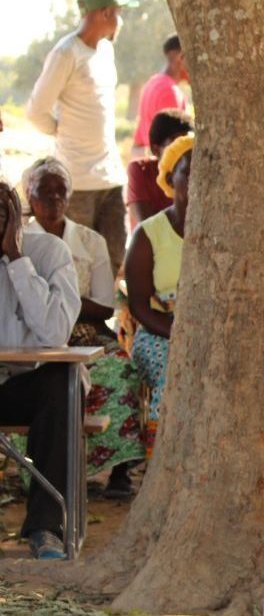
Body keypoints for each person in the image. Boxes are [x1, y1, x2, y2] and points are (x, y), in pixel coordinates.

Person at [21, 158, 143, 496]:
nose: (54, 199)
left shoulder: (90, 241)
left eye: (61, 192)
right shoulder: (19, 239)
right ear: (30, 197)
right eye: (44, 192)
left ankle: (118, 472)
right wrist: (59, 306)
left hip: (85, 332)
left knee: (120, 370)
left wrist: (61, 306)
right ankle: (44, 474)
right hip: (34, 337)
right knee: (33, 376)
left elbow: (104, 305)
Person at [26, 0, 138, 276]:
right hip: (77, 180)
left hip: (110, 176)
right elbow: (36, 110)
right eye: (118, 12)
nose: (121, 20)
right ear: (103, 13)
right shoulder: (66, 54)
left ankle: (106, 319)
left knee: (113, 258)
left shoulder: (105, 51)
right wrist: (62, 132)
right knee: (75, 265)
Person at [0, 180, 80, 559]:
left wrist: (16, 259)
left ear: (18, 216)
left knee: (62, 384)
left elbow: (54, 333)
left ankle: (46, 527)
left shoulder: (49, 251)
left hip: (30, 385)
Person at [125, 135, 192, 455]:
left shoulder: (226, 234)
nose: (197, 182)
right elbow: (138, 305)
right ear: (169, 178)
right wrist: (177, 333)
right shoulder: (149, 234)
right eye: (187, 173)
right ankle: (162, 459)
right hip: (158, 333)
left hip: (208, 334)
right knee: (174, 375)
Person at [125, 109, 193, 227]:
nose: (181, 149)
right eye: (175, 142)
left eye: (186, 143)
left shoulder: (193, 172)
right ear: (156, 149)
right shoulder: (140, 170)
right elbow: (147, 226)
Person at [131, 35, 189, 157]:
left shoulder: (151, 84)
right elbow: (173, 147)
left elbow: (138, 142)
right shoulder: (170, 91)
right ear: (181, 58)